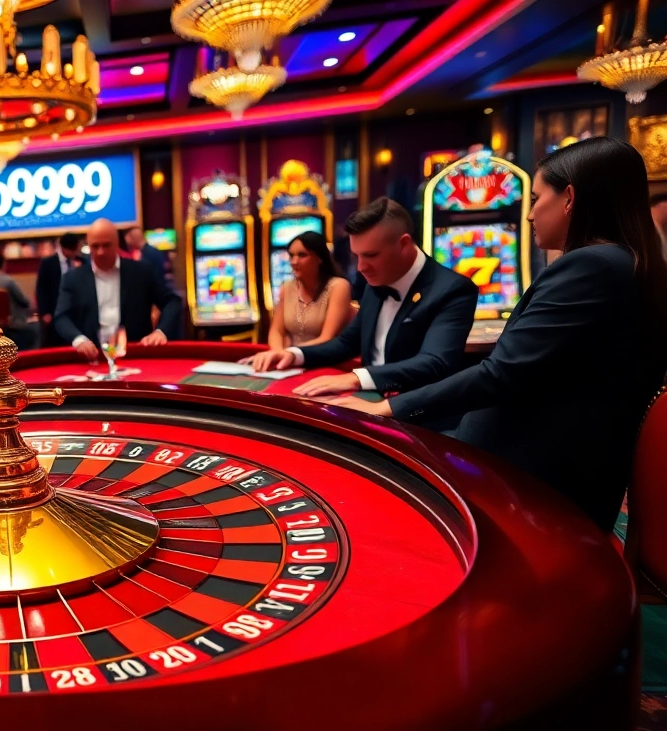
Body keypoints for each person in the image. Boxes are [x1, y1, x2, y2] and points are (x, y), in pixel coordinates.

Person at [334, 138, 667, 531]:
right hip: (546, 463)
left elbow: (500, 373)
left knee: (367, 493)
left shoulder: (591, 266)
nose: (528, 215)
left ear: (569, 199)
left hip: (531, 483)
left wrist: (383, 409)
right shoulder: (628, 261)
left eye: (537, 197)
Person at [244, 197, 477, 397]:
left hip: (418, 417)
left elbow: (434, 363)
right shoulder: (376, 281)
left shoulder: (453, 290)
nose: (361, 267)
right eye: (356, 256)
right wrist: (292, 354)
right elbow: (347, 343)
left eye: (371, 255)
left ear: (404, 244)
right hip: (368, 402)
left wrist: (357, 378)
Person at [54, 218, 182, 361]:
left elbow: (172, 301)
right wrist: (78, 339)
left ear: (117, 244)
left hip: (136, 357)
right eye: (95, 246)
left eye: (106, 245)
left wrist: (161, 331)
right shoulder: (73, 278)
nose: (101, 252)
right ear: (88, 246)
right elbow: (61, 317)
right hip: (94, 360)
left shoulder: (141, 272)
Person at [267, 232, 353, 350]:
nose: (294, 262)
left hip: (328, 360)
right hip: (293, 360)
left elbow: (327, 338)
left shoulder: (338, 286)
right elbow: (276, 331)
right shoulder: (286, 288)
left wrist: (290, 354)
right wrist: (277, 352)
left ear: (319, 258)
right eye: (291, 255)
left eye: (302, 255)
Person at [0, 253, 36, 349]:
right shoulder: (8, 281)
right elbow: (23, 300)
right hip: (10, 322)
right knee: (35, 328)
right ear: (4, 265)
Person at [36, 233, 80, 348]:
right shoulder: (48, 263)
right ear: (64, 248)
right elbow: (41, 289)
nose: (75, 253)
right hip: (53, 310)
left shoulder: (80, 262)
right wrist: (44, 312)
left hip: (74, 310)